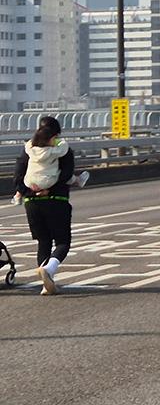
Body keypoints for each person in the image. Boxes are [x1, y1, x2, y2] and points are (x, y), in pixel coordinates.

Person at [13, 117, 81, 295]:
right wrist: (50, 190)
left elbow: (18, 175)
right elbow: (66, 175)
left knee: (43, 241)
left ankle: (46, 285)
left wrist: (29, 192)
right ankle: (49, 270)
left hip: (32, 203)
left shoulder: (29, 149)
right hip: (56, 200)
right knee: (63, 242)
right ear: (56, 134)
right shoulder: (63, 150)